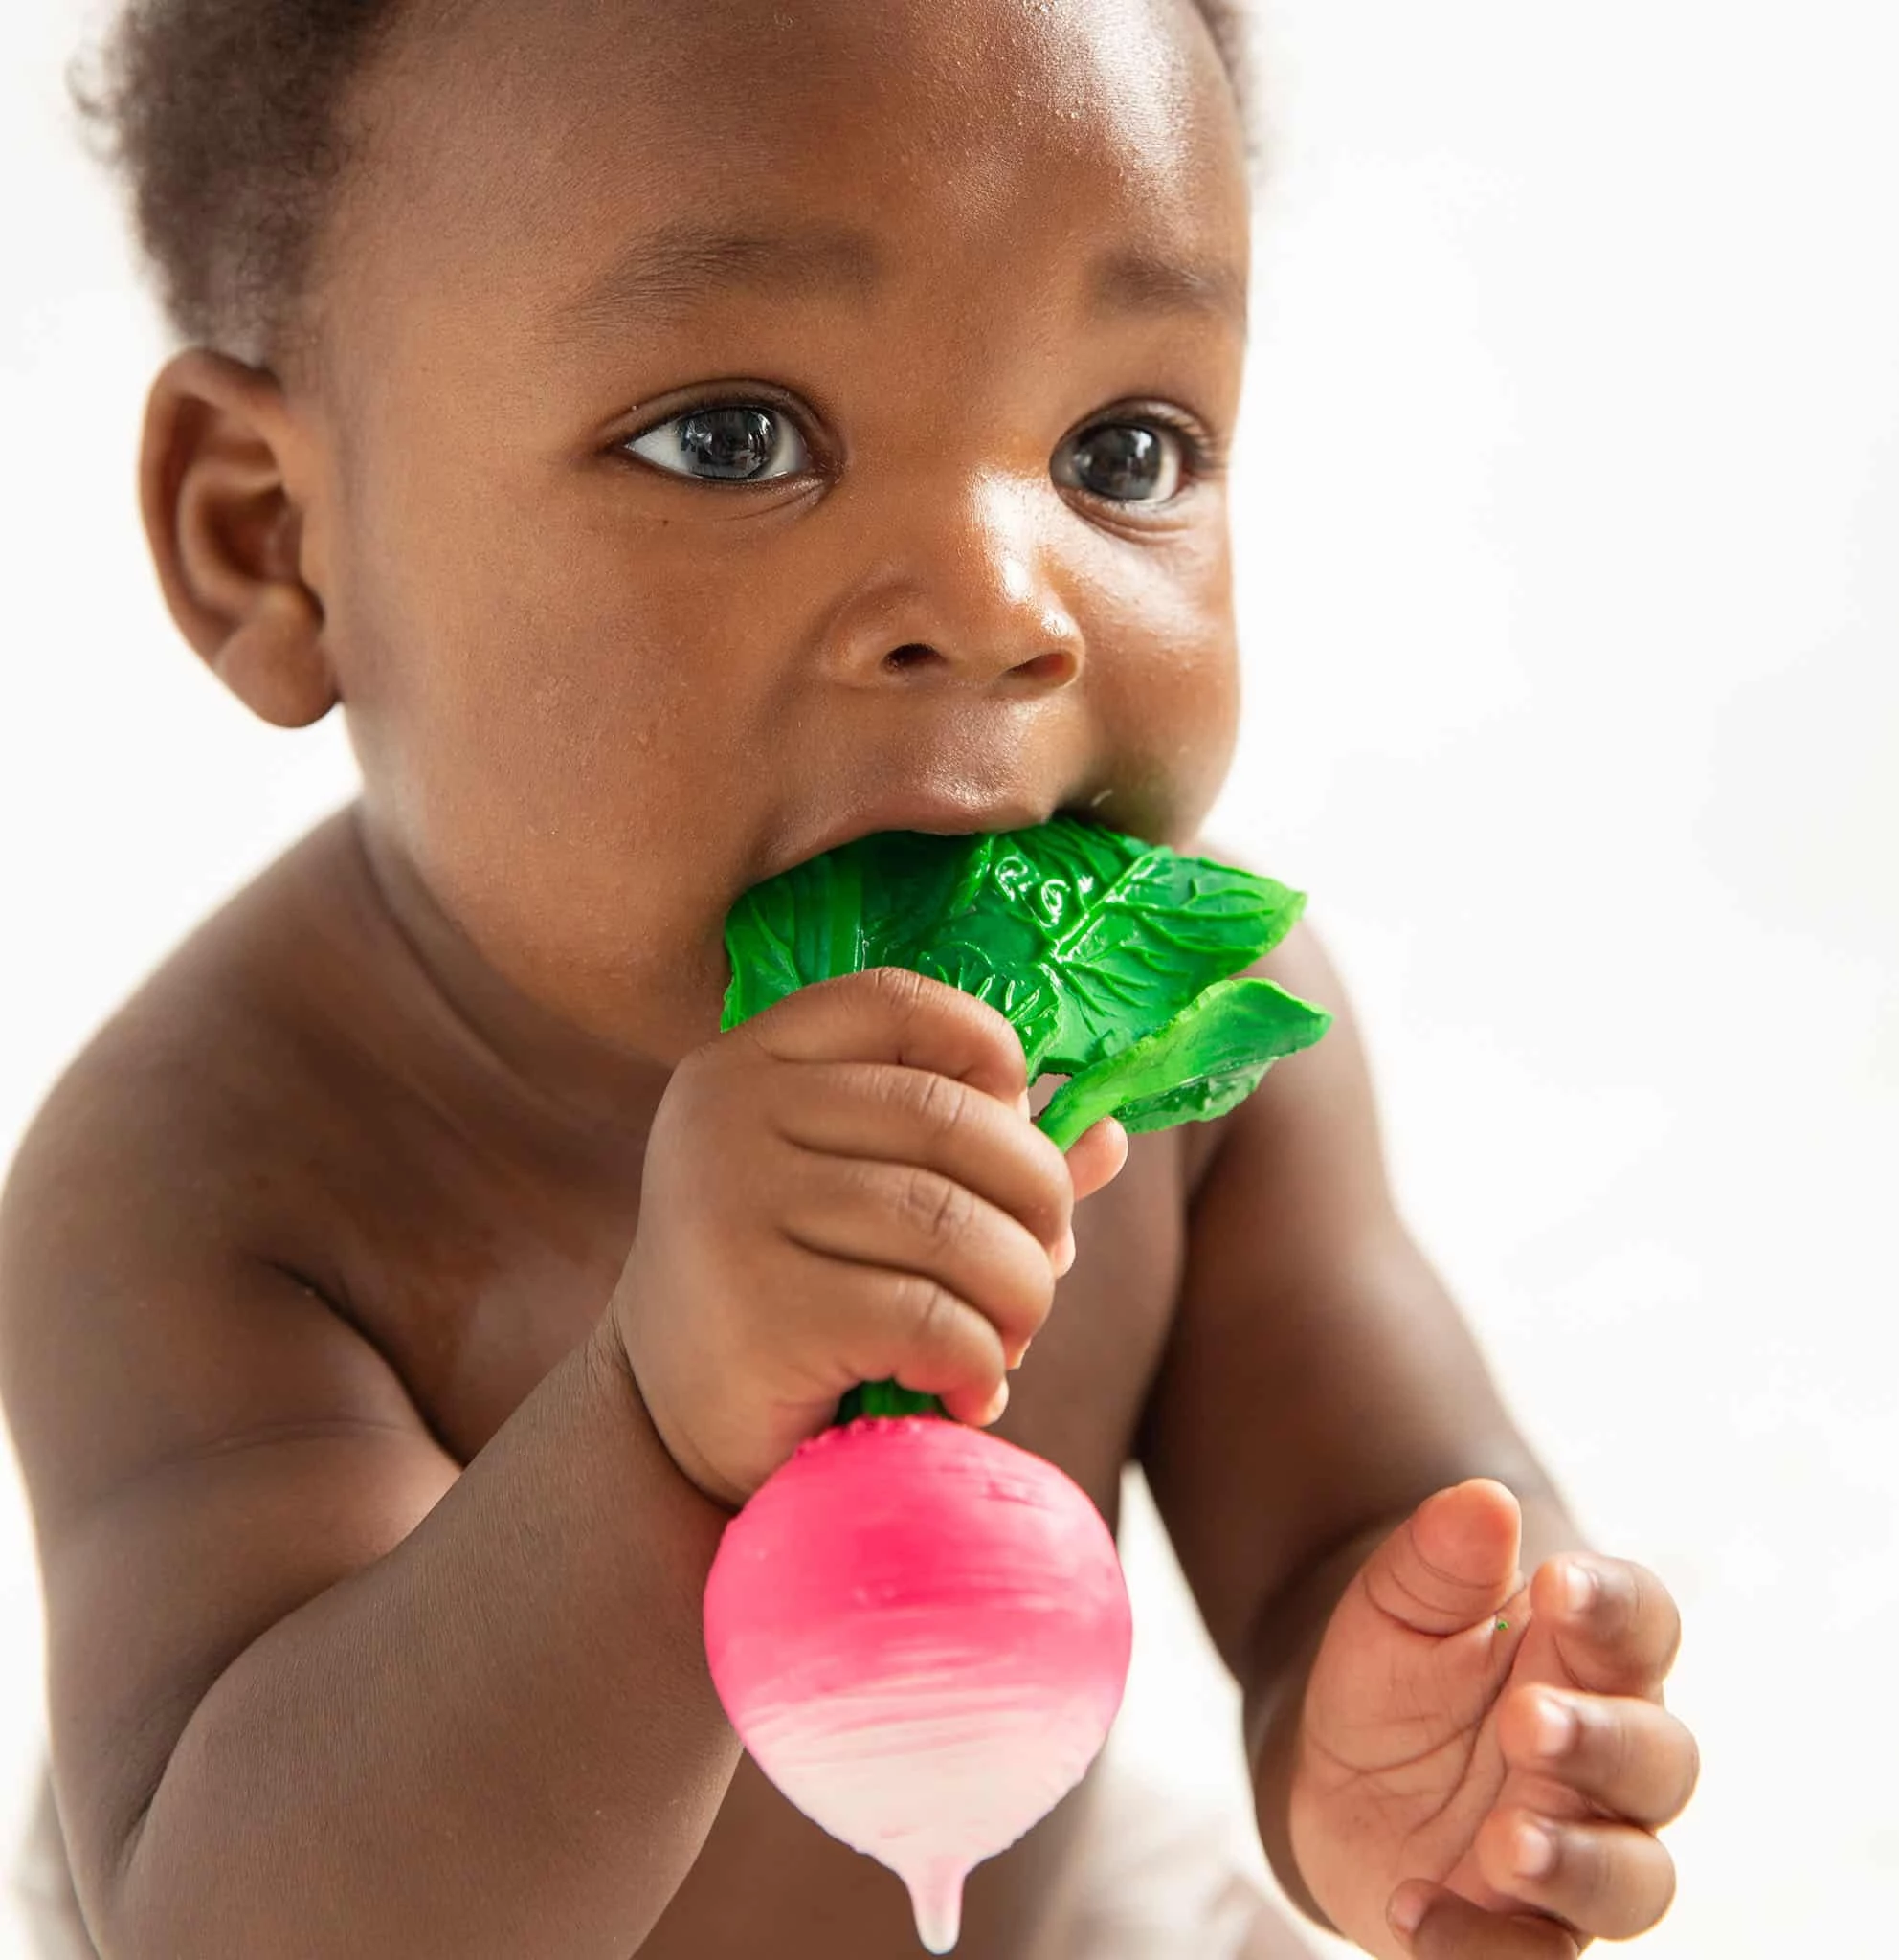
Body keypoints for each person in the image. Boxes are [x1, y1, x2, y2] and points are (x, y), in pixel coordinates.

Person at [0, 1, 1701, 1955]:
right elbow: (256, 1924)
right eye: (733, 439)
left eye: (1118, 448)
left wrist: (1443, 1715)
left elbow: (1367, 1515)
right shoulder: (215, 1177)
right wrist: (658, 1417)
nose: (996, 601)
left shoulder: (1184, 1057)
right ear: (278, 540)